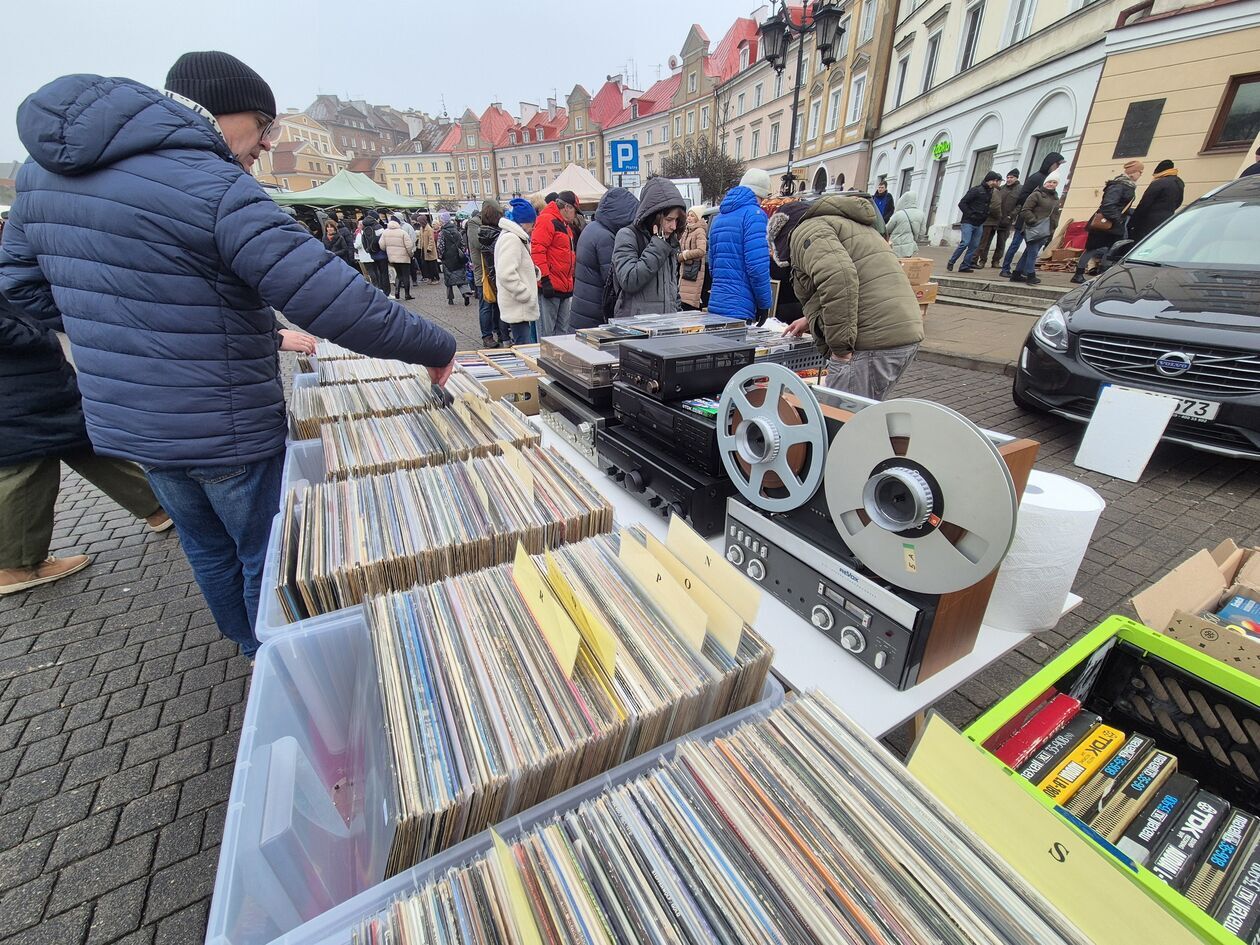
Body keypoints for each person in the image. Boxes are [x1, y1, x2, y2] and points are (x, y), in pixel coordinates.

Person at [0, 52, 456, 657]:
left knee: (205, 549)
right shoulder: (211, 183)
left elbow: (19, 288)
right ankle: (274, 658)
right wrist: (437, 344)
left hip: (131, 427)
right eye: (263, 126)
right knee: (262, 554)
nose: (265, 146)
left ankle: (249, 649)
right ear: (224, 114)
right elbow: (331, 297)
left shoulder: (39, 175)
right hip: (224, 425)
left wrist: (118, 327)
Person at [0, 298, 173, 595]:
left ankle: (158, 507)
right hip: (16, 391)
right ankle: (17, 565)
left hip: (30, 386)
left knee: (86, 443)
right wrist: (35, 335)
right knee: (27, 467)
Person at [778, 194, 924, 401]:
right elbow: (862, 279)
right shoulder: (845, 225)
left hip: (871, 339)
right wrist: (810, 319)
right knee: (864, 416)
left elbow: (839, 278)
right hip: (902, 331)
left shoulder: (806, 231)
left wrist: (840, 348)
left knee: (840, 419)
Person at [610, 176, 686, 317]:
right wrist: (657, 245)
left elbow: (673, 289)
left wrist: (677, 315)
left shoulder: (670, 240)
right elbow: (629, 280)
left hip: (666, 325)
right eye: (669, 219)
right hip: (636, 326)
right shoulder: (627, 235)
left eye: (677, 220)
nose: (673, 226)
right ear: (654, 216)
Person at [707, 168, 773, 322]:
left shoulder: (719, 218)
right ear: (762, 195)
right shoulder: (754, 215)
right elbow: (757, 267)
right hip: (741, 306)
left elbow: (712, 265)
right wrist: (764, 305)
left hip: (716, 302)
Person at [570, 187, 639, 331]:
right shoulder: (606, 237)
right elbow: (614, 280)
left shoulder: (592, 228)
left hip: (583, 307)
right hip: (595, 312)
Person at [1071, 160, 1142, 284]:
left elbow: (1120, 205)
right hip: (1106, 223)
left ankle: (1100, 275)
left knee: (1110, 249)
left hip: (1112, 222)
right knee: (1093, 248)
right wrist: (1118, 219)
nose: (1140, 175)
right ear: (1133, 172)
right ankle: (1079, 274)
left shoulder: (1125, 185)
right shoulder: (1119, 185)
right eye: (1140, 172)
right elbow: (1108, 205)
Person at [1001, 152, 1064, 277]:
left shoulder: (1049, 179)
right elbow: (1023, 197)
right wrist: (1031, 216)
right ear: (1051, 164)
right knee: (1015, 244)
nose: (1058, 167)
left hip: (1039, 223)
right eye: (1057, 164)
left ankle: (1021, 270)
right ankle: (1006, 268)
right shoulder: (1037, 178)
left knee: (1031, 247)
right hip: (1027, 219)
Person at [531, 190, 578, 337]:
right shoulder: (547, 220)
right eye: (575, 211)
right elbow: (537, 251)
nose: (575, 215)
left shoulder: (565, 226)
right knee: (548, 334)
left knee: (561, 333)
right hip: (551, 286)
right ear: (567, 208)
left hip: (563, 286)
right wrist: (545, 280)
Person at [495, 198, 541, 345]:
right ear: (524, 222)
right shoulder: (512, 239)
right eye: (532, 223)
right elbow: (506, 274)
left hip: (518, 305)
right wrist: (524, 294)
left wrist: (534, 272)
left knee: (523, 346)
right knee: (524, 349)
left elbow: (516, 267)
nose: (533, 227)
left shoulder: (513, 237)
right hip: (518, 305)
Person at [1010, 174, 1061, 285]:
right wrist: (1033, 221)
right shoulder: (1036, 195)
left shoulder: (1056, 198)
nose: (1051, 184)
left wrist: (1053, 228)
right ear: (1044, 183)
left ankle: (1016, 274)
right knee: (1033, 252)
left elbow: (1055, 215)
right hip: (1032, 228)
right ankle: (1030, 275)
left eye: (1054, 182)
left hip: (1045, 230)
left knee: (1028, 252)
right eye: (1049, 182)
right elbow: (1025, 210)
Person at [949, 171, 1001, 272]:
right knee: (965, 243)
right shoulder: (976, 190)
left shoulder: (990, 191)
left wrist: (985, 215)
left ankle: (965, 265)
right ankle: (952, 261)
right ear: (989, 180)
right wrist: (970, 214)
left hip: (980, 223)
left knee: (974, 246)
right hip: (968, 221)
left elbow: (987, 205)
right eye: (994, 180)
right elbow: (962, 203)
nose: (996, 182)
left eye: (996, 180)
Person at [1127, 159, 1184, 244]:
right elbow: (1179, 202)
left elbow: (1144, 204)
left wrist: (1132, 223)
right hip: (1166, 220)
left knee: (1141, 244)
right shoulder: (1179, 183)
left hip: (1148, 222)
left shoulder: (1158, 183)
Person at [976, 170, 1020, 269]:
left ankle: (996, 261)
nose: (1009, 179)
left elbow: (1019, 205)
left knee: (1001, 242)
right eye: (1008, 177)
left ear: (1016, 178)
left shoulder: (1019, 190)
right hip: (994, 218)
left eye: (1011, 177)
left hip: (1006, 220)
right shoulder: (1001, 188)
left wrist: (1011, 216)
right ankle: (982, 260)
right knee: (986, 241)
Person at [437, 210, 470, 305]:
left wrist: (441, 256)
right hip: (458, 259)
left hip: (448, 259)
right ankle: (465, 293)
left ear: (443, 221)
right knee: (461, 278)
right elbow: (463, 245)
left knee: (449, 280)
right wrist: (461, 253)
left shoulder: (442, 233)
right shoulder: (457, 231)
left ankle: (450, 299)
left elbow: (440, 247)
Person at [678, 208, 709, 311]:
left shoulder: (699, 231)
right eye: (688, 215)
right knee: (683, 300)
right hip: (684, 270)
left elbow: (701, 250)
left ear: (697, 218)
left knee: (689, 302)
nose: (689, 218)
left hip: (693, 272)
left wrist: (685, 255)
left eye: (692, 216)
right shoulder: (686, 230)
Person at [379, 218, 415, 300]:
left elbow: (381, 245)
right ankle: (407, 294)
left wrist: (388, 251)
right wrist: (411, 255)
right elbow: (409, 246)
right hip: (404, 257)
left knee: (398, 274)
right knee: (406, 276)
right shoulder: (402, 232)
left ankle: (396, 292)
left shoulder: (385, 232)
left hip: (392, 258)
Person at [885, 190, 926, 258]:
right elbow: (922, 232)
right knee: (906, 265)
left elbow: (887, 229)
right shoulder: (921, 214)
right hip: (910, 246)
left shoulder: (898, 214)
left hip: (895, 245)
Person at [417, 215, 439, 283]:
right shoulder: (421, 228)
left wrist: (429, 248)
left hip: (430, 250)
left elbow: (431, 240)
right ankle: (430, 278)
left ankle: (435, 278)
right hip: (424, 250)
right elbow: (421, 238)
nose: (419, 223)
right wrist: (419, 247)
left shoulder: (429, 229)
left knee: (432, 265)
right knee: (426, 265)